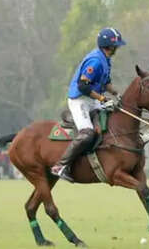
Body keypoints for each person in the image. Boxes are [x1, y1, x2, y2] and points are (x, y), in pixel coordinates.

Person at [45, 28, 125, 183]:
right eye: (116, 46)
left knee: (111, 119)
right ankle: (61, 166)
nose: (118, 48)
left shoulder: (106, 59)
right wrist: (102, 98)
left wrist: (117, 94)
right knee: (87, 133)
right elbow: (83, 86)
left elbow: (106, 82)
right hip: (79, 99)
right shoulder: (95, 61)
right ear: (109, 45)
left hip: (92, 99)